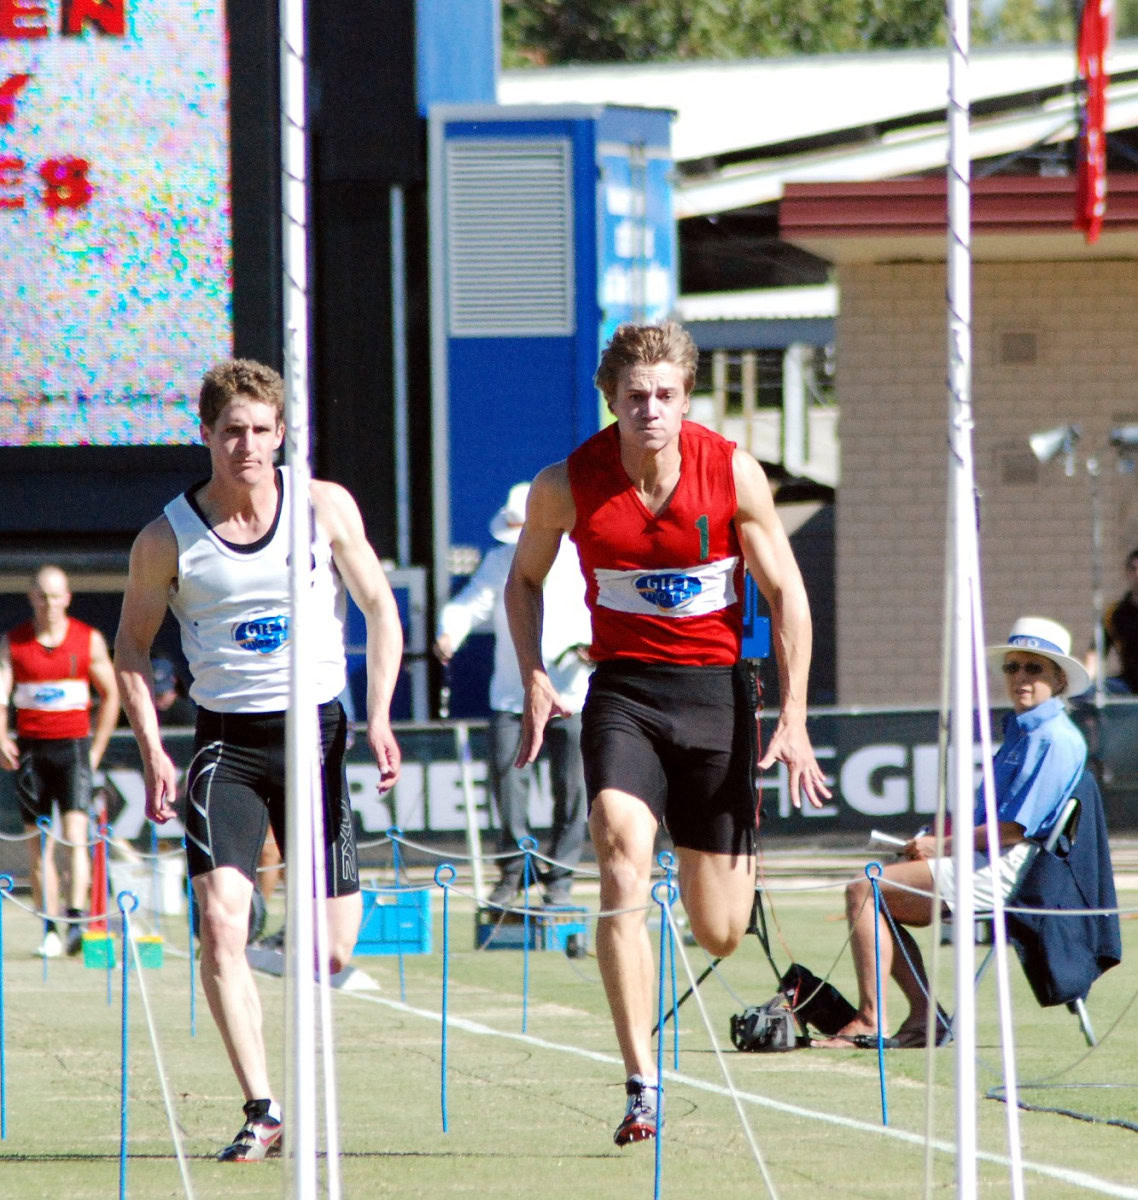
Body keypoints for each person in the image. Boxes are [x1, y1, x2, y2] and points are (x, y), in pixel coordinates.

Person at [504, 320, 830, 1145]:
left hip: (718, 697)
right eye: (634, 398)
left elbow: (788, 595)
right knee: (617, 845)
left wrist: (791, 716)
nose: (650, 411)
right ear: (609, 400)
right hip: (626, 695)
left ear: (687, 398)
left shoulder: (732, 473)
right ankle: (641, 1080)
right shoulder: (566, 483)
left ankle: (718, 879)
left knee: (720, 929)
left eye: (666, 396)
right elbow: (524, 583)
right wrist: (535, 673)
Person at [114, 358, 403, 1163]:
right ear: (207, 435)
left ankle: (273, 951)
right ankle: (263, 1106)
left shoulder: (321, 507)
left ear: (282, 434)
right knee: (219, 925)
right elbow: (131, 649)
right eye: (232, 431)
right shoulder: (166, 537)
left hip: (320, 736)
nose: (248, 445)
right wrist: (152, 749)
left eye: (261, 431)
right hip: (226, 748)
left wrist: (379, 715)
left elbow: (380, 608)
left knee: (337, 949)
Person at [815, 615, 1089, 1050]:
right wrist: (932, 842)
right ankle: (925, 1019)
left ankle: (873, 1020)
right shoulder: (1027, 732)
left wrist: (937, 845)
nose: (1020, 677)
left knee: (863, 890)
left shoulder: (1054, 738)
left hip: (1001, 870)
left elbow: (1012, 830)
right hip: (984, 860)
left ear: (1057, 679)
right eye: (1012, 667)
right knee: (872, 891)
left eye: (1033, 668)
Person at [435, 481, 592, 908]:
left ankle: (560, 881)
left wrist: (590, 649)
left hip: (573, 694)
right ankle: (513, 870)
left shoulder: (580, 559)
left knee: (573, 789)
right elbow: (471, 602)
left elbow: (603, 609)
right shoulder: (500, 560)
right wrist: (449, 632)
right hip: (513, 696)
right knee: (507, 785)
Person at [0, 565, 120, 958]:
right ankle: (50, 929)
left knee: (76, 838)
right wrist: (2, 737)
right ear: (31, 598)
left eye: (56, 596)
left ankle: (76, 921)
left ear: (67, 597)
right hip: (32, 752)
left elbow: (112, 694)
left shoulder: (89, 639)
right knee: (39, 848)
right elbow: (1, 696)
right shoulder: (14, 643)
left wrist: (97, 748)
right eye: (41, 596)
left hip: (73, 751)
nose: (49, 604)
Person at [1085, 547, 1138, 694]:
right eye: (1133, 569)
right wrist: (1086, 680)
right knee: (1085, 693)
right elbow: (1096, 652)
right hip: (1128, 685)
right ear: (1127, 573)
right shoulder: (1115, 614)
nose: (1137, 574)